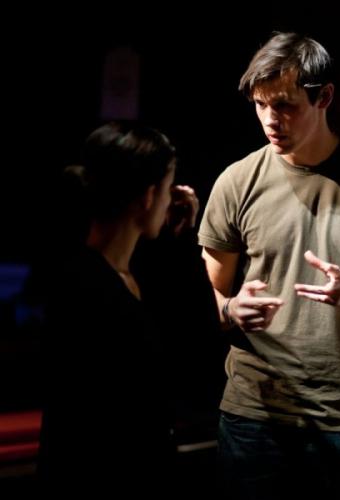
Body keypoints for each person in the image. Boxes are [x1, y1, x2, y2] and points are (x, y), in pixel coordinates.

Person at [198, 32, 340, 500]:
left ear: (324, 97)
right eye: (261, 105)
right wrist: (230, 310)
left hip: (338, 417)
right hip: (253, 413)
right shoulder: (237, 181)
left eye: (285, 105)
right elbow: (208, 298)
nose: (270, 119)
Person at [37, 122, 199, 495]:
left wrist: (178, 239)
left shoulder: (102, 274)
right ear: (148, 196)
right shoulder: (91, 288)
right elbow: (189, 363)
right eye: (167, 188)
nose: (170, 199)